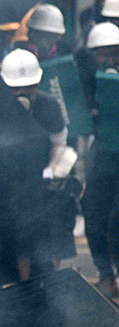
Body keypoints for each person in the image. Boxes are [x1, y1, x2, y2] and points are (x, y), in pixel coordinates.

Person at [0, 49, 78, 283]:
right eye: (16, 88)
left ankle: (50, 283)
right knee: (16, 236)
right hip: (10, 180)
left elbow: (58, 141)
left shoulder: (49, 105)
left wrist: (52, 169)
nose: (22, 93)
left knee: (53, 229)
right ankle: (22, 285)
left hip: (42, 177)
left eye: (29, 86)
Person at [82, 22, 119, 297]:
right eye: (101, 54)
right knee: (93, 211)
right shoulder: (84, 79)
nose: (107, 59)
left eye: (113, 53)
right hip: (102, 152)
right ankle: (106, 274)